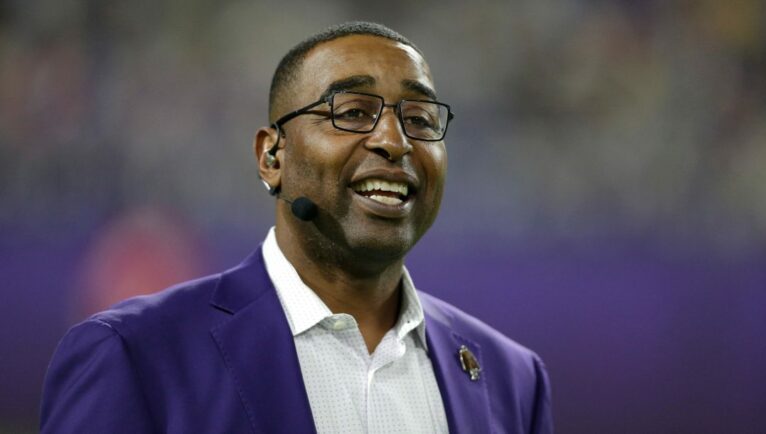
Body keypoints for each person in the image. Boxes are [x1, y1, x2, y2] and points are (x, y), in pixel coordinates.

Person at [40, 22, 553, 433]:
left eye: (419, 119)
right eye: (353, 112)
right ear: (271, 155)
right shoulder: (136, 354)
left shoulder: (512, 381)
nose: (395, 141)